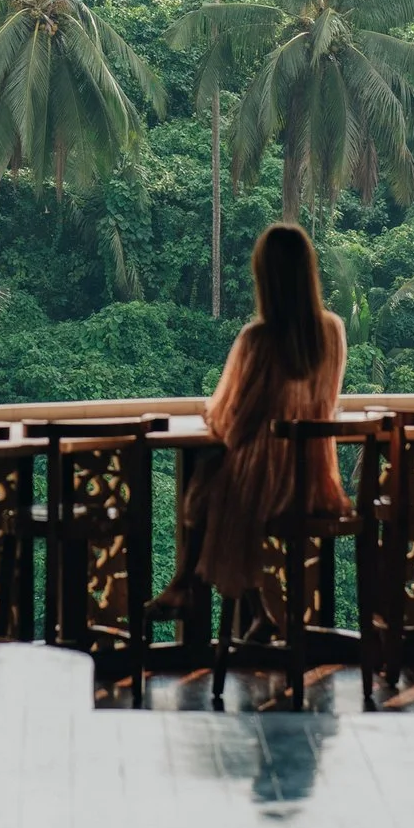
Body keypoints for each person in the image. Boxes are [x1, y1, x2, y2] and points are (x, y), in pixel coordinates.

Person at [145, 222, 348, 629]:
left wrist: (214, 419)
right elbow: (325, 403)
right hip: (316, 478)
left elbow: (233, 418)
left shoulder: (258, 339)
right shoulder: (332, 331)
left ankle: (186, 585)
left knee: (209, 487)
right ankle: (258, 614)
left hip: (269, 482)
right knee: (217, 489)